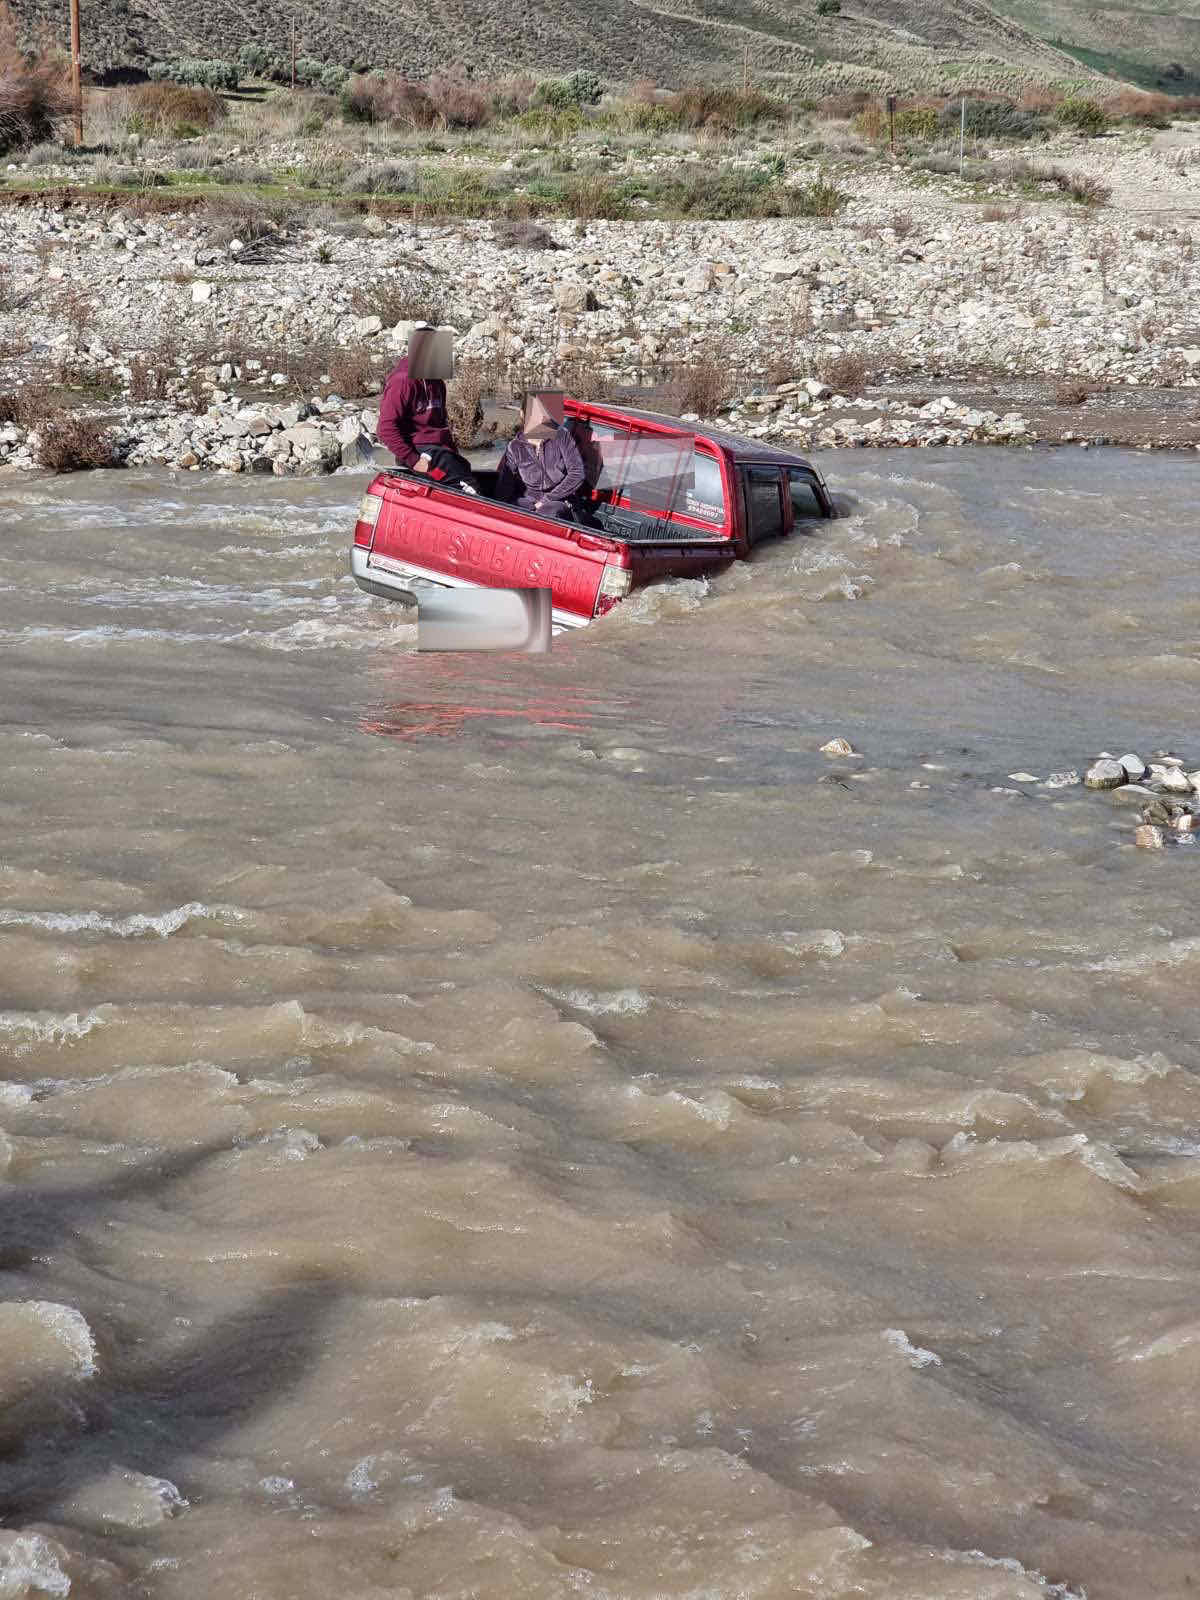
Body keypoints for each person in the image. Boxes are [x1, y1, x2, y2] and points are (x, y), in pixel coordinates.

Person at [377, 325, 476, 489]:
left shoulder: (437, 383)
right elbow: (385, 429)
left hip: (440, 452)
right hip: (422, 454)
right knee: (469, 488)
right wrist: (414, 461)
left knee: (466, 472)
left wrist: (454, 455)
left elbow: (441, 426)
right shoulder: (402, 382)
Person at [495, 393, 586, 520]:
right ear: (522, 414)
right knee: (514, 509)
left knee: (548, 512)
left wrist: (547, 499)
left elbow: (577, 473)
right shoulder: (515, 446)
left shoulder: (561, 436)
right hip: (528, 499)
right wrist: (497, 511)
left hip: (559, 499)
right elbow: (505, 483)